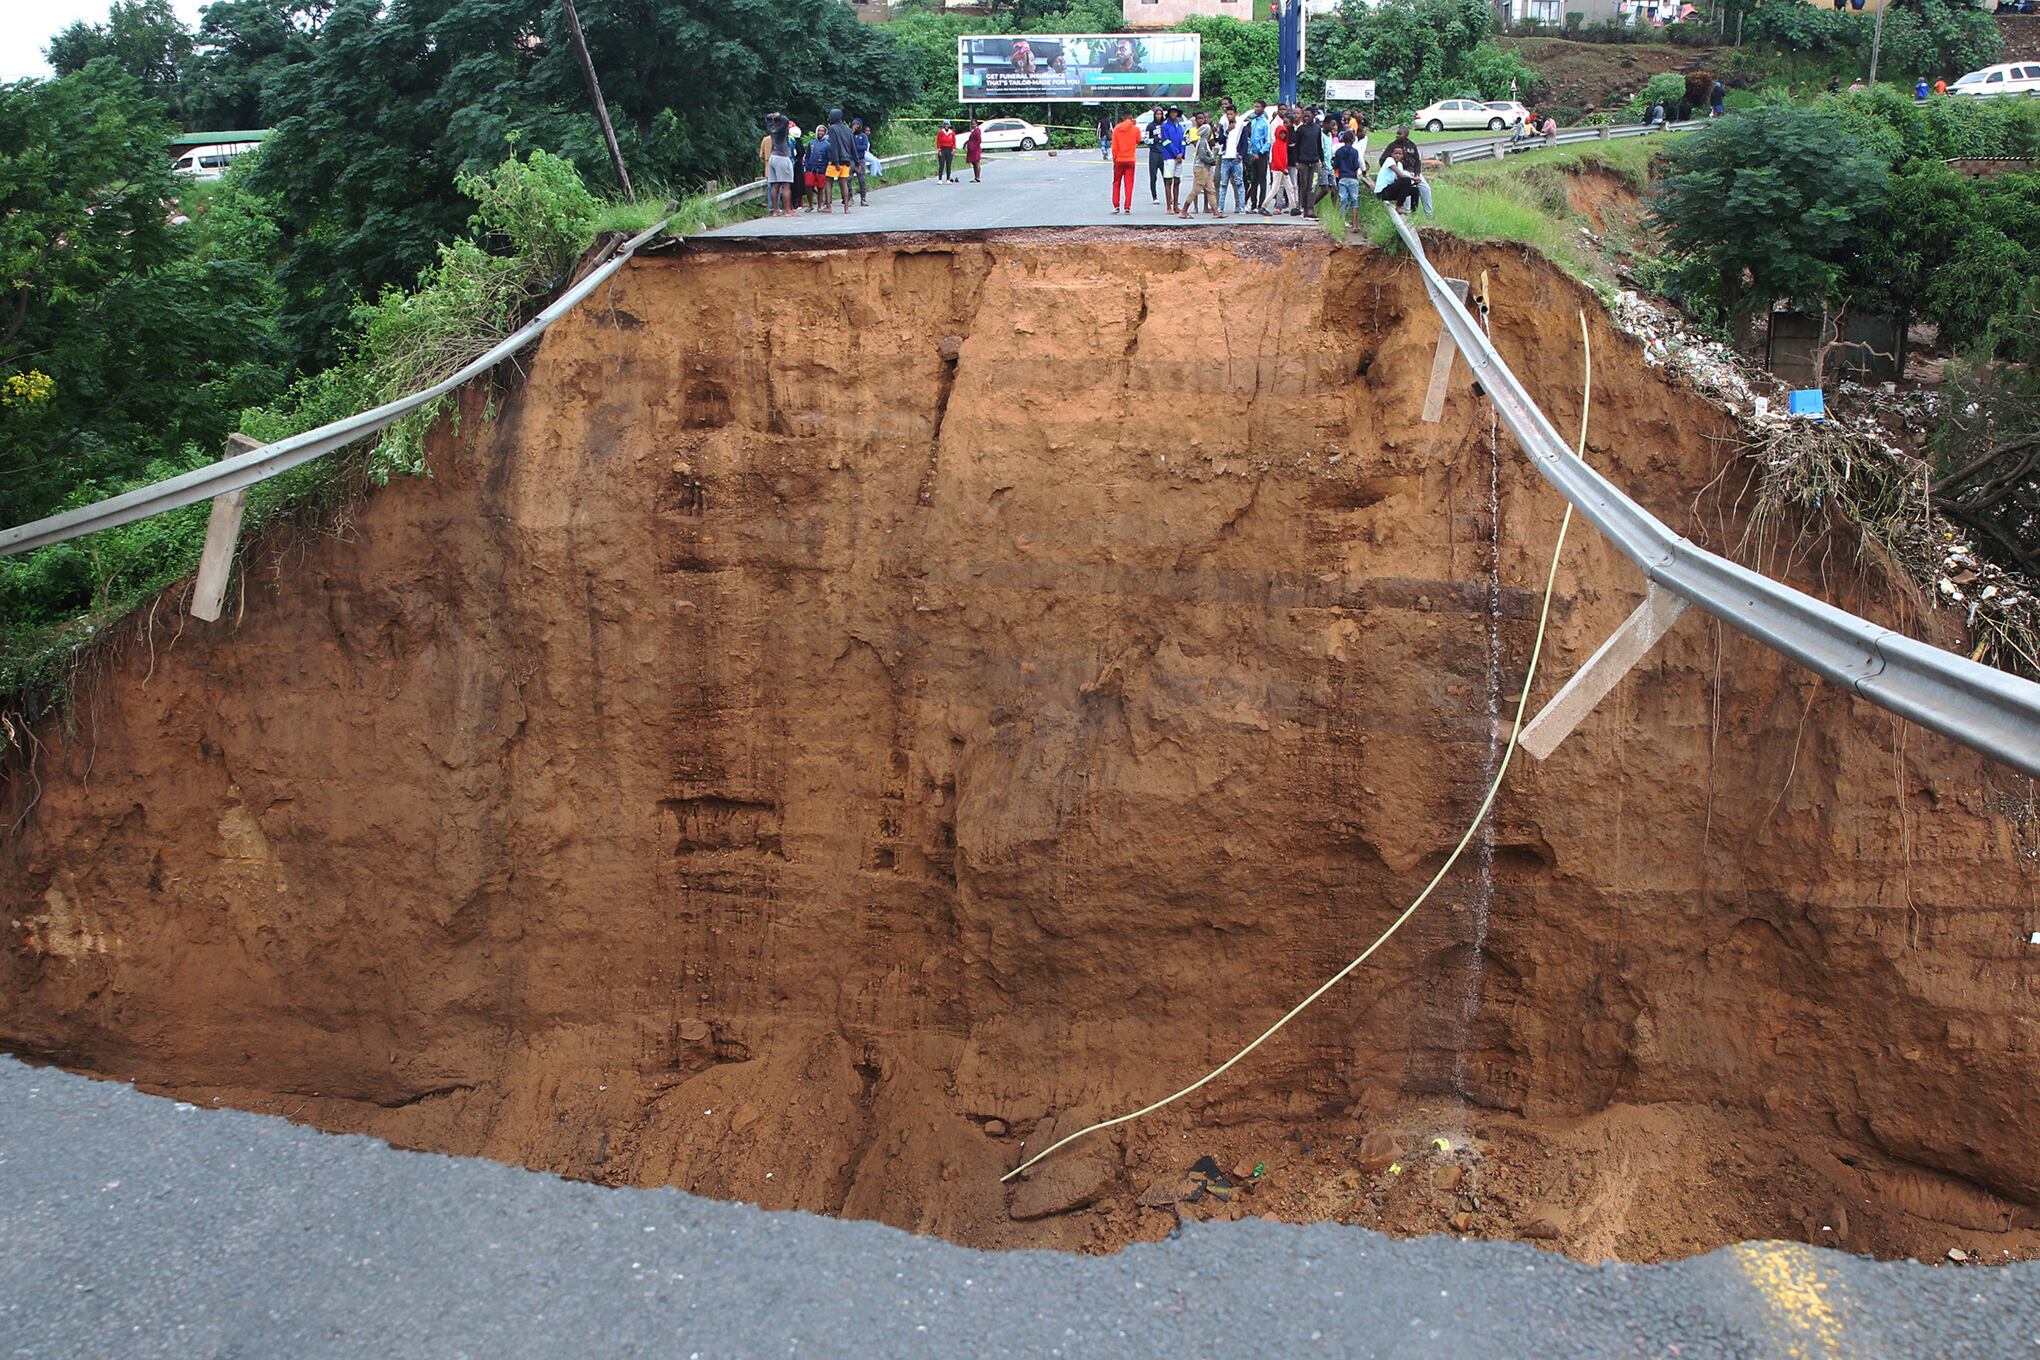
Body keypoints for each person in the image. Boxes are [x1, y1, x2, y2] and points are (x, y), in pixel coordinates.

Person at [1289, 107, 1321, 215]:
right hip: (1303, 162)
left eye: (1308, 116)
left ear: (1313, 116)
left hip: (1315, 161)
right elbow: (1297, 147)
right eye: (1305, 116)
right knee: (1304, 185)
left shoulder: (1317, 129)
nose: (1306, 118)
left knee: (1313, 185)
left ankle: (1311, 207)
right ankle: (1305, 208)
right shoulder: (1301, 129)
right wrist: (1296, 161)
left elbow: (1319, 145)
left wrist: (1322, 159)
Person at [1190, 111, 1223, 217]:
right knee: (1196, 190)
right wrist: (1212, 161)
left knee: (1210, 189)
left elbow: (1213, 143)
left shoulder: (1204, 140)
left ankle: (1215, 212)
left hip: (1206, 168)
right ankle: (1185, 210)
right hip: (1201, 168)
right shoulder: (1202, 142)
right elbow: (1203, 156)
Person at [825, 108, 858, 212]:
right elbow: (853, 147)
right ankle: (846, 208)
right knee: (844, 183)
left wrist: (836, 162)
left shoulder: (832, 128)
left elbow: (834, 146)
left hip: (836, 160)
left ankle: (829, 206)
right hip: (847, 160)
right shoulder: (848, 129)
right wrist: (857, 162)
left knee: (828, 181)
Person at [762, 114, 795, 217]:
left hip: (773, 157)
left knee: (775, 185)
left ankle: (775, 210)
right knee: (786, 185)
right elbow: (786, 120)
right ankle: (787, 210)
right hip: (782, 157)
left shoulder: (772, 128)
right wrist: (778, 115)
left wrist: (773, 116)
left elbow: (767, 118)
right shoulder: (781, 129)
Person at [1332, 129, 1363, 230]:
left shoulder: (1339, 152)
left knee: (1343, 200)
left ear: (1343, 140)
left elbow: (1335, 165)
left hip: (1342, 178)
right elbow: (1356, 165)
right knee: (1355, 201)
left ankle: (1341, 223)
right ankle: (1355, 225)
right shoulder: (1355, 152)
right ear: (1353, 140)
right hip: (1353, 178)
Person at [1111, 110, 1140, 212]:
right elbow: (1138, 140)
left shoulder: (1117, 129)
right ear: (1131, 118)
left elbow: (1114, 147)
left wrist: (1115, 159)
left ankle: (1116, 205)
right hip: (1130, 159)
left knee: (1116, 183)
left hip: (1119, 159)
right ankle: (1127, 206)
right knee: (1129, 183)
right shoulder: (1135, 129)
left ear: (1123, 117)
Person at [1245, 100, 1272, 213]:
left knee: (1262, 180)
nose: (1256, 109)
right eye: (1255, 107)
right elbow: (1251, 139)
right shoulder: (1254, 121)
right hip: (1253, 154)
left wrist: (1260, 153)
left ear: (1263, 109)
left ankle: (1261, 203)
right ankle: (1253, 204)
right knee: (1253, 180)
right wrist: (1251, 152)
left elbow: (1268, 141)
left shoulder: (1265, 123)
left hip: (1261, 155)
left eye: (1258, 107)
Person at [1159, 107, 1187, 215]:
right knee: (1168, 181)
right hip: (1169, 156)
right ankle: (1168, 206)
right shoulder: (1165, 126)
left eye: (1175, 112)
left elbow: (1183, 141)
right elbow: (1166, 142)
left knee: (1177, 181)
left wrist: (1182, 153)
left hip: (1179, 157)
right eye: (1172, 112)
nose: (1173, 114)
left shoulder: (1180, 127)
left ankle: (1176, 206)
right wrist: (1176, 153)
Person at [1375, 150, 1420, 215]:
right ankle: (1399, 206)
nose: (1397, 155)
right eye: (1395, 153)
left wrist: (1414, 182)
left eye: (1400, 154)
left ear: (1402, 155)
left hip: (1390, 191)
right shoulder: (1389, 160)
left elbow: (1401, 183)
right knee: (1406, 180)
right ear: (1392, 154)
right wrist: (1413, 178)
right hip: (1382, 192)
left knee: (1415, 190)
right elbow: (1401, 175)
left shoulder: (1399, 165)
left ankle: (1413, 213)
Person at [1219, 108, 1246, 215]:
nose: (1229, 116)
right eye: (1227, 114)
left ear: (1235, 114)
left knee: (1239, 183)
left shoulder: (1241, 126)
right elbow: (1220, 140)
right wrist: (1226, 131)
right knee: (1223, 184)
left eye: (1231, 114)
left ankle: (1241, 207)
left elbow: (1244, 142)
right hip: (1226, 157)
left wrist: (1241, 155)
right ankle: (1220, 207)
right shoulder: (1224, 125)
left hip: (1236, 157)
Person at [1398, 145, 1433, 218]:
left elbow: (1418, 162)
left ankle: (1429, 215)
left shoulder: (1412, 146)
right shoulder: (1394, 147)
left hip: (1414, 172)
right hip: (1402, 172)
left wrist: (1417, 174)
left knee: (1425, 189)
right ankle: (1407, 212)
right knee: (1407, 186)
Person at [1268, 106, 1292, 213]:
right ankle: (1264, 206)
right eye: (1281, 133)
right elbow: (1276, 158)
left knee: (1290, 188)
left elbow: (1284, 157)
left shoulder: (1283, 143)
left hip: (1283, 168)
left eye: (1284, 133)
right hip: (1278, 169)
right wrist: (1283, 168)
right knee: (1275, 188)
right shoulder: (1276, 144)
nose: (1282, 135)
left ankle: (1293, 206)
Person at [802, 129, 831, 212]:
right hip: (810, 168)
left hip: (821, 169)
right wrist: (807, 165)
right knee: (808, 185)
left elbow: (828, 157)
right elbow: (807, 155)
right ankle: (810, 205)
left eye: (822, 131)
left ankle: (819, 205)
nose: (820, 132)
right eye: (819, 131)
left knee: (820, 187)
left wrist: (826, 167)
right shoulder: (811, 143)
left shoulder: (827, 145)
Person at [850, 117, 870, 206]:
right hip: (851, 159)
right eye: (854, 124)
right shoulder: (850, 135)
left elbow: (864, 147)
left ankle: (863, 198)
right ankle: (849, 197)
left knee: (861, 180)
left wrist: (854, 148)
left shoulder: (863, 136)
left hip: (860, 159)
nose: (855, 126)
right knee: (847, 179)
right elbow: (847, 145)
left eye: (857, 124)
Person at [965, 117, 984, 182]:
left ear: (976, 124)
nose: (973, 125)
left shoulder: (977, 131)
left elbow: (979, 140)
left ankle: (977, 177)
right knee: (974, 163)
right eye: (972, 124)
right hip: (972, 149)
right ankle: (975, 177)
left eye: (974, 124)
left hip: (975, 149)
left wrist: (973, 147)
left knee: (976, 163)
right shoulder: (973, 131)